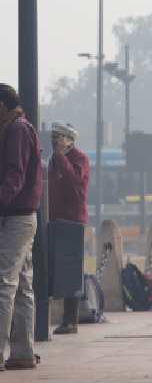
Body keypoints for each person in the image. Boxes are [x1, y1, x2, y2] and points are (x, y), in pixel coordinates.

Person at [0, 84, 42, 371]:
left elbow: (15, 173)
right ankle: (23, 351)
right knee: (23, 284)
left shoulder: (16, 130)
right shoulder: (19, 127)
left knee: (4, 284)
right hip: (24, 215)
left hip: (15, 216)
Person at [47, 122, 89, 335]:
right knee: (55, 269)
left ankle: (70, 320)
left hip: (73, 220)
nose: (55, 141)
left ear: (69, 139)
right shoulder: (54, 159)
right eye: (54, 137)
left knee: (72, 272)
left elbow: (74, 180)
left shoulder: (79, 158)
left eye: (59, 137)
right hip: (55, 219)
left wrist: (62, 156)